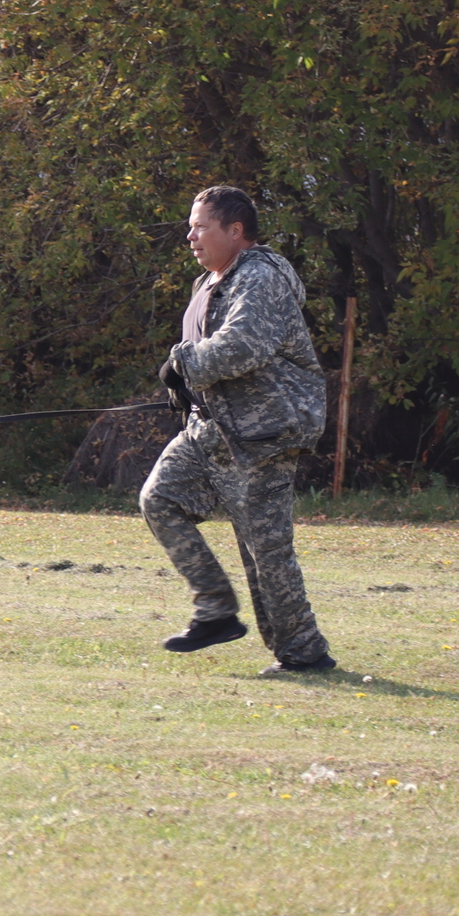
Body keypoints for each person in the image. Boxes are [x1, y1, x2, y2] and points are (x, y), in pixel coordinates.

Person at [142, 186, 336, 675]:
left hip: (262, 434)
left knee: (265, 552)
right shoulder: (208, 283)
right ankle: (216, 611)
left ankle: (304, 653)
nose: (190, 236)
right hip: (210, 429)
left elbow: (242, 346)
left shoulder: (260, 278)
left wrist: (181, 364)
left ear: (236, 231)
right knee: (160, 499)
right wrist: (184, 387)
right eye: (191, 226)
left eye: (201, 226)